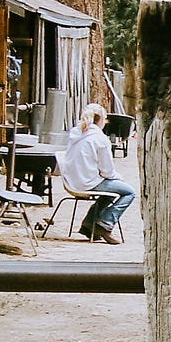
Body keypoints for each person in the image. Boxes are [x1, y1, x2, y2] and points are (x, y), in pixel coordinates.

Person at [59, 103, 136, 244]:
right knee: (129, 192)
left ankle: (89, 225)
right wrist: (120, 178)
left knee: (112, 190)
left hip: (71, 180)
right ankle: (105, 224)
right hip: (88, 182)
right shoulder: (100, 139)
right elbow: (107, 172)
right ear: (100, 119)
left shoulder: (76, 133)